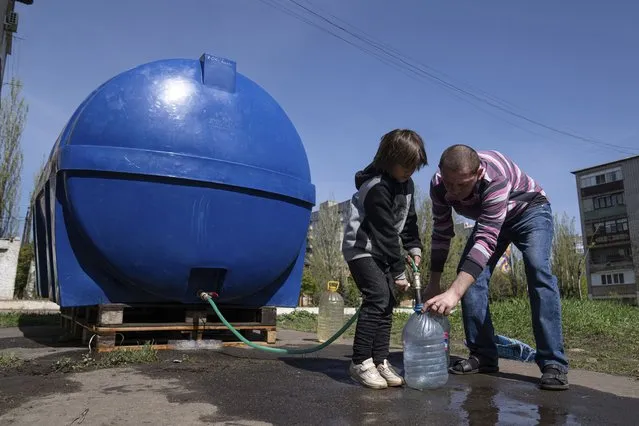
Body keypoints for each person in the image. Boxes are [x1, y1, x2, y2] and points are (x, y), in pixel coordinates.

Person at [422, 145, 570, 391]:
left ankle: (553, 363)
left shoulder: (495, 176)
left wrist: (454, 293)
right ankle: (483, 356)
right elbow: (441, 233)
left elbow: (487, 239)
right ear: (441, 173)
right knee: (470, 277)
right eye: (450, 184)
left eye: (462, 185)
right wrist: (434, 282)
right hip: (491, 220)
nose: (455, 193)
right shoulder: (439, 185)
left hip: (529, 211)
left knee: (537, 269)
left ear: (478, 174)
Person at [341, 128, 428, 389]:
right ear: (389, 159)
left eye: (415, 166)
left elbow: (408, 220)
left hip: (383, 251)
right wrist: (399, 271)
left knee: (388, 301)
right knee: (378, 296)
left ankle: (379, 360)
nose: (410, 171)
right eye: (406, 165)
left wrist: (414, 247)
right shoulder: (376, 187)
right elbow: (386, 232)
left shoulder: (407, 184)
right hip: (363, 249)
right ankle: (360, 362)